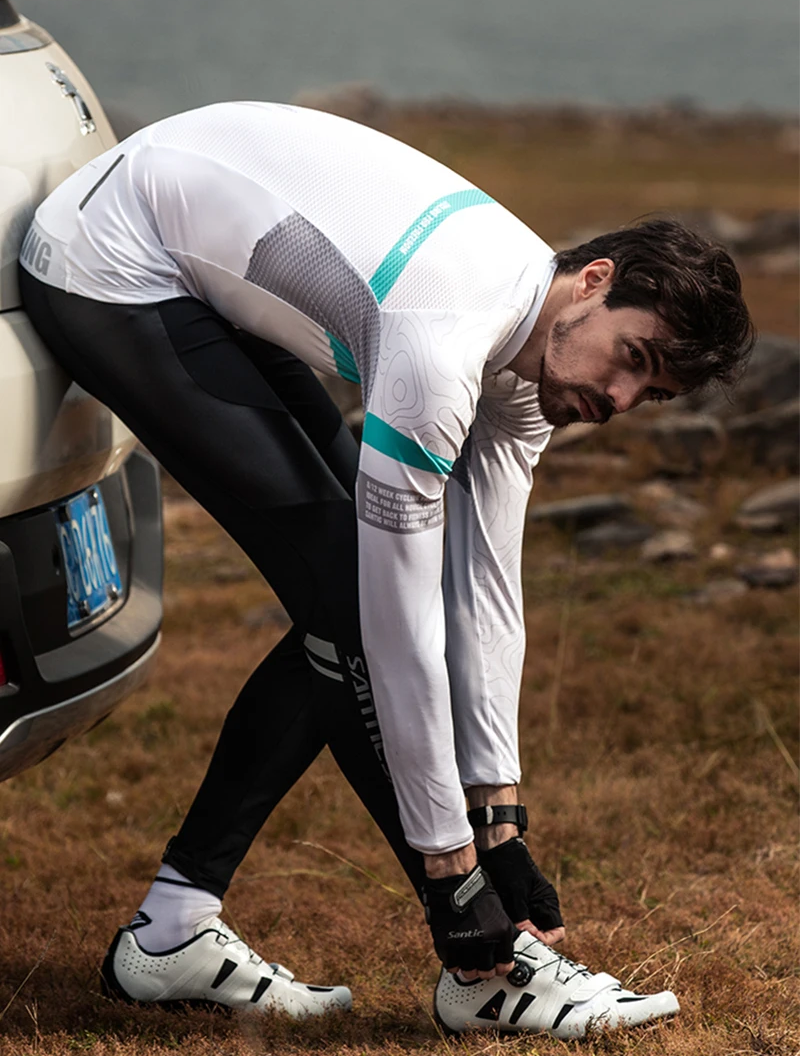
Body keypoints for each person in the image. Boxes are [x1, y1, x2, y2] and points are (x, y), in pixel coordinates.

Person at [18, 101, 753, 1037]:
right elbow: (398, 623)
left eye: (651, 392)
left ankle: (171, 927)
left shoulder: (536, 356)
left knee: (343, 594)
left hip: (198, 250)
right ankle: (488, 968)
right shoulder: (443, 344)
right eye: (632, 358)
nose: (618, 396)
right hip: (110, 259)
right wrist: (452, 866)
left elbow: (484, 587)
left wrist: (501, 814)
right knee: (351, 600)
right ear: (595, 280)